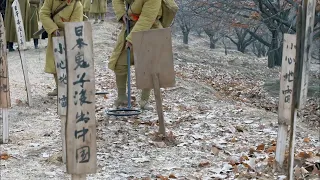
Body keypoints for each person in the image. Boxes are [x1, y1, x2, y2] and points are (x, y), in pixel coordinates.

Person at [109, 0, 163, 110]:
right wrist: (121, 13)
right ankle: (122, 98)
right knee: (120, 63)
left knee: (148, 67)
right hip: (130, 26)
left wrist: (131, 39)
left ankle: (144, 100)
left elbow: (147, 19)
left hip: (150, 30)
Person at [39, 0, 83, 96]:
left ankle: (71, 88)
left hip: (70, 36)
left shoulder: (77, 4)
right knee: (55, 62)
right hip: (55, 34)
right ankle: (60, 87)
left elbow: (76, 22)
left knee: (70, 62)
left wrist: (68, 32)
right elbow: (43, 14)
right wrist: (53, 28)